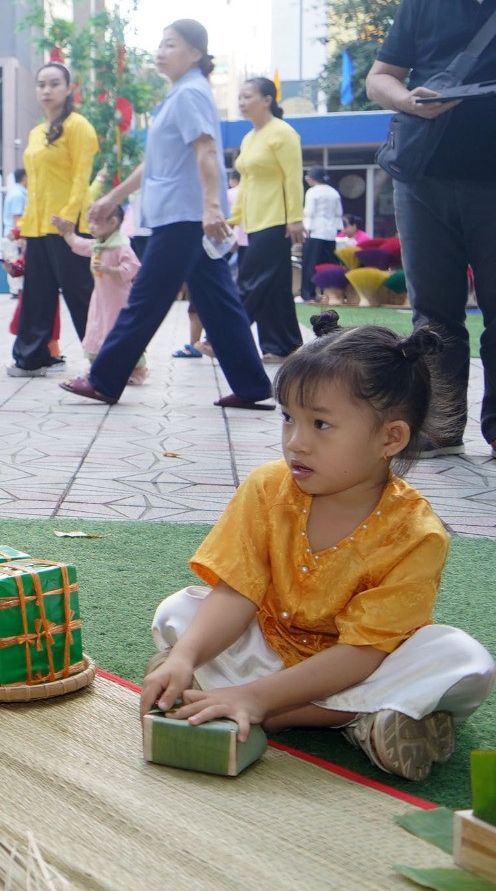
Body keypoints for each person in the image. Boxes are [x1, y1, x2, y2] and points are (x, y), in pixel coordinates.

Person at [141, 313, 495, 781]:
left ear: (391, 438)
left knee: (458, 658)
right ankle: (366, 720)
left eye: (321, 425)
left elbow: (365, 654)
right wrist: (186, 655)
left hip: (363, 665)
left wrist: (260, 697)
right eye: (288, 417)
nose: (295, 442)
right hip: (269, 647)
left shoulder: (417, 533)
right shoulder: (268, 488)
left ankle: (278, 710)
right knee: (180, 613)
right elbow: (236, 592)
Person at [63, 21, 272, 409]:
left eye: (171, 44)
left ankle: (105, 379)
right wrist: (112, 198)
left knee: (145, 298)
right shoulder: (178, 96)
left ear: (195, 54)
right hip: (184, 216)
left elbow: (206, 150)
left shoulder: (191, 93)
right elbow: (154, 163)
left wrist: (211, 206)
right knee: (219, 303)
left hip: (185, 217)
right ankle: (252, 386)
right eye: (159, 44)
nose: (161, 51)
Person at [365, 0, 496, 458]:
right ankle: (441, 423)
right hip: (424, 183)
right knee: (435, 315)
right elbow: (380, 78)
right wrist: (409, 102)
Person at [8, 63, 97, 378]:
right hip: (37, 226)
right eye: (41, 84)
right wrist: (23, 228)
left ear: (68, 88)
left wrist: (69, 219)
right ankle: (32, 357)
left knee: (80, 293)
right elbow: (36, 183)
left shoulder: (79, 126)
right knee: (36, 294)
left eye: (54, 84)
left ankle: (105, 361)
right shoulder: (36, 132)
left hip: (66, 226)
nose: (46, 91)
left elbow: (80, 177)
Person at [228, 78, 306, 361]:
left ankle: (224, 336)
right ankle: (282, 346)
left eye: (248, 96)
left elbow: (293, 178)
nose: (242, 102)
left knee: (251, 281)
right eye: (240, 97)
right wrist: (234, 218)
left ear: (267, 100)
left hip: (276, 221)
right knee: (275, 287)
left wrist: (295, 218)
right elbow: (245, 183)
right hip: (252, 222)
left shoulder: (283, 133)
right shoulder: (250, 137)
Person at [52, 210, 148, 385]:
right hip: (101, 299)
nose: (91, 227)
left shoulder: (121, 247)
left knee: (117, 332)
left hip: (118, 300)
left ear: (112, 222)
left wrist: (110, 270)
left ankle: (137, 369)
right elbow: (80, 244)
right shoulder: (99, 245)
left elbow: (133, 267)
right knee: (97, 330)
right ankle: (96, 368)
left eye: (96, 222)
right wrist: (67, 233)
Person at [301, 168, 343, 302]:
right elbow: (339, 212)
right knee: (329, 264)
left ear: (313, 178)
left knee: (310, 265)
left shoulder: (312, 192)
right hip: (330, 234)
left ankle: (308, 295)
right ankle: (330, 294)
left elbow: (309, 213)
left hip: (314, 232)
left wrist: (305, 231)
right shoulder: (334, 192)